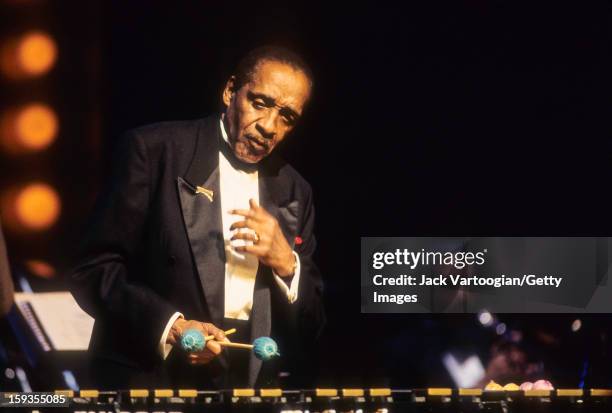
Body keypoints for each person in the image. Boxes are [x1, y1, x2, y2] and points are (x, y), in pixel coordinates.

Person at [70, 46, 325, 389]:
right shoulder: (154, 150)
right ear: (230, 91)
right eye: (260, 103)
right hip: (150, 377)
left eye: (287, 117)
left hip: (244, 389)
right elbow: (93, 269)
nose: (268, 126)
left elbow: (313, 327)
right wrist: (171, 326)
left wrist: (287, 265)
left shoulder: (296, 189)